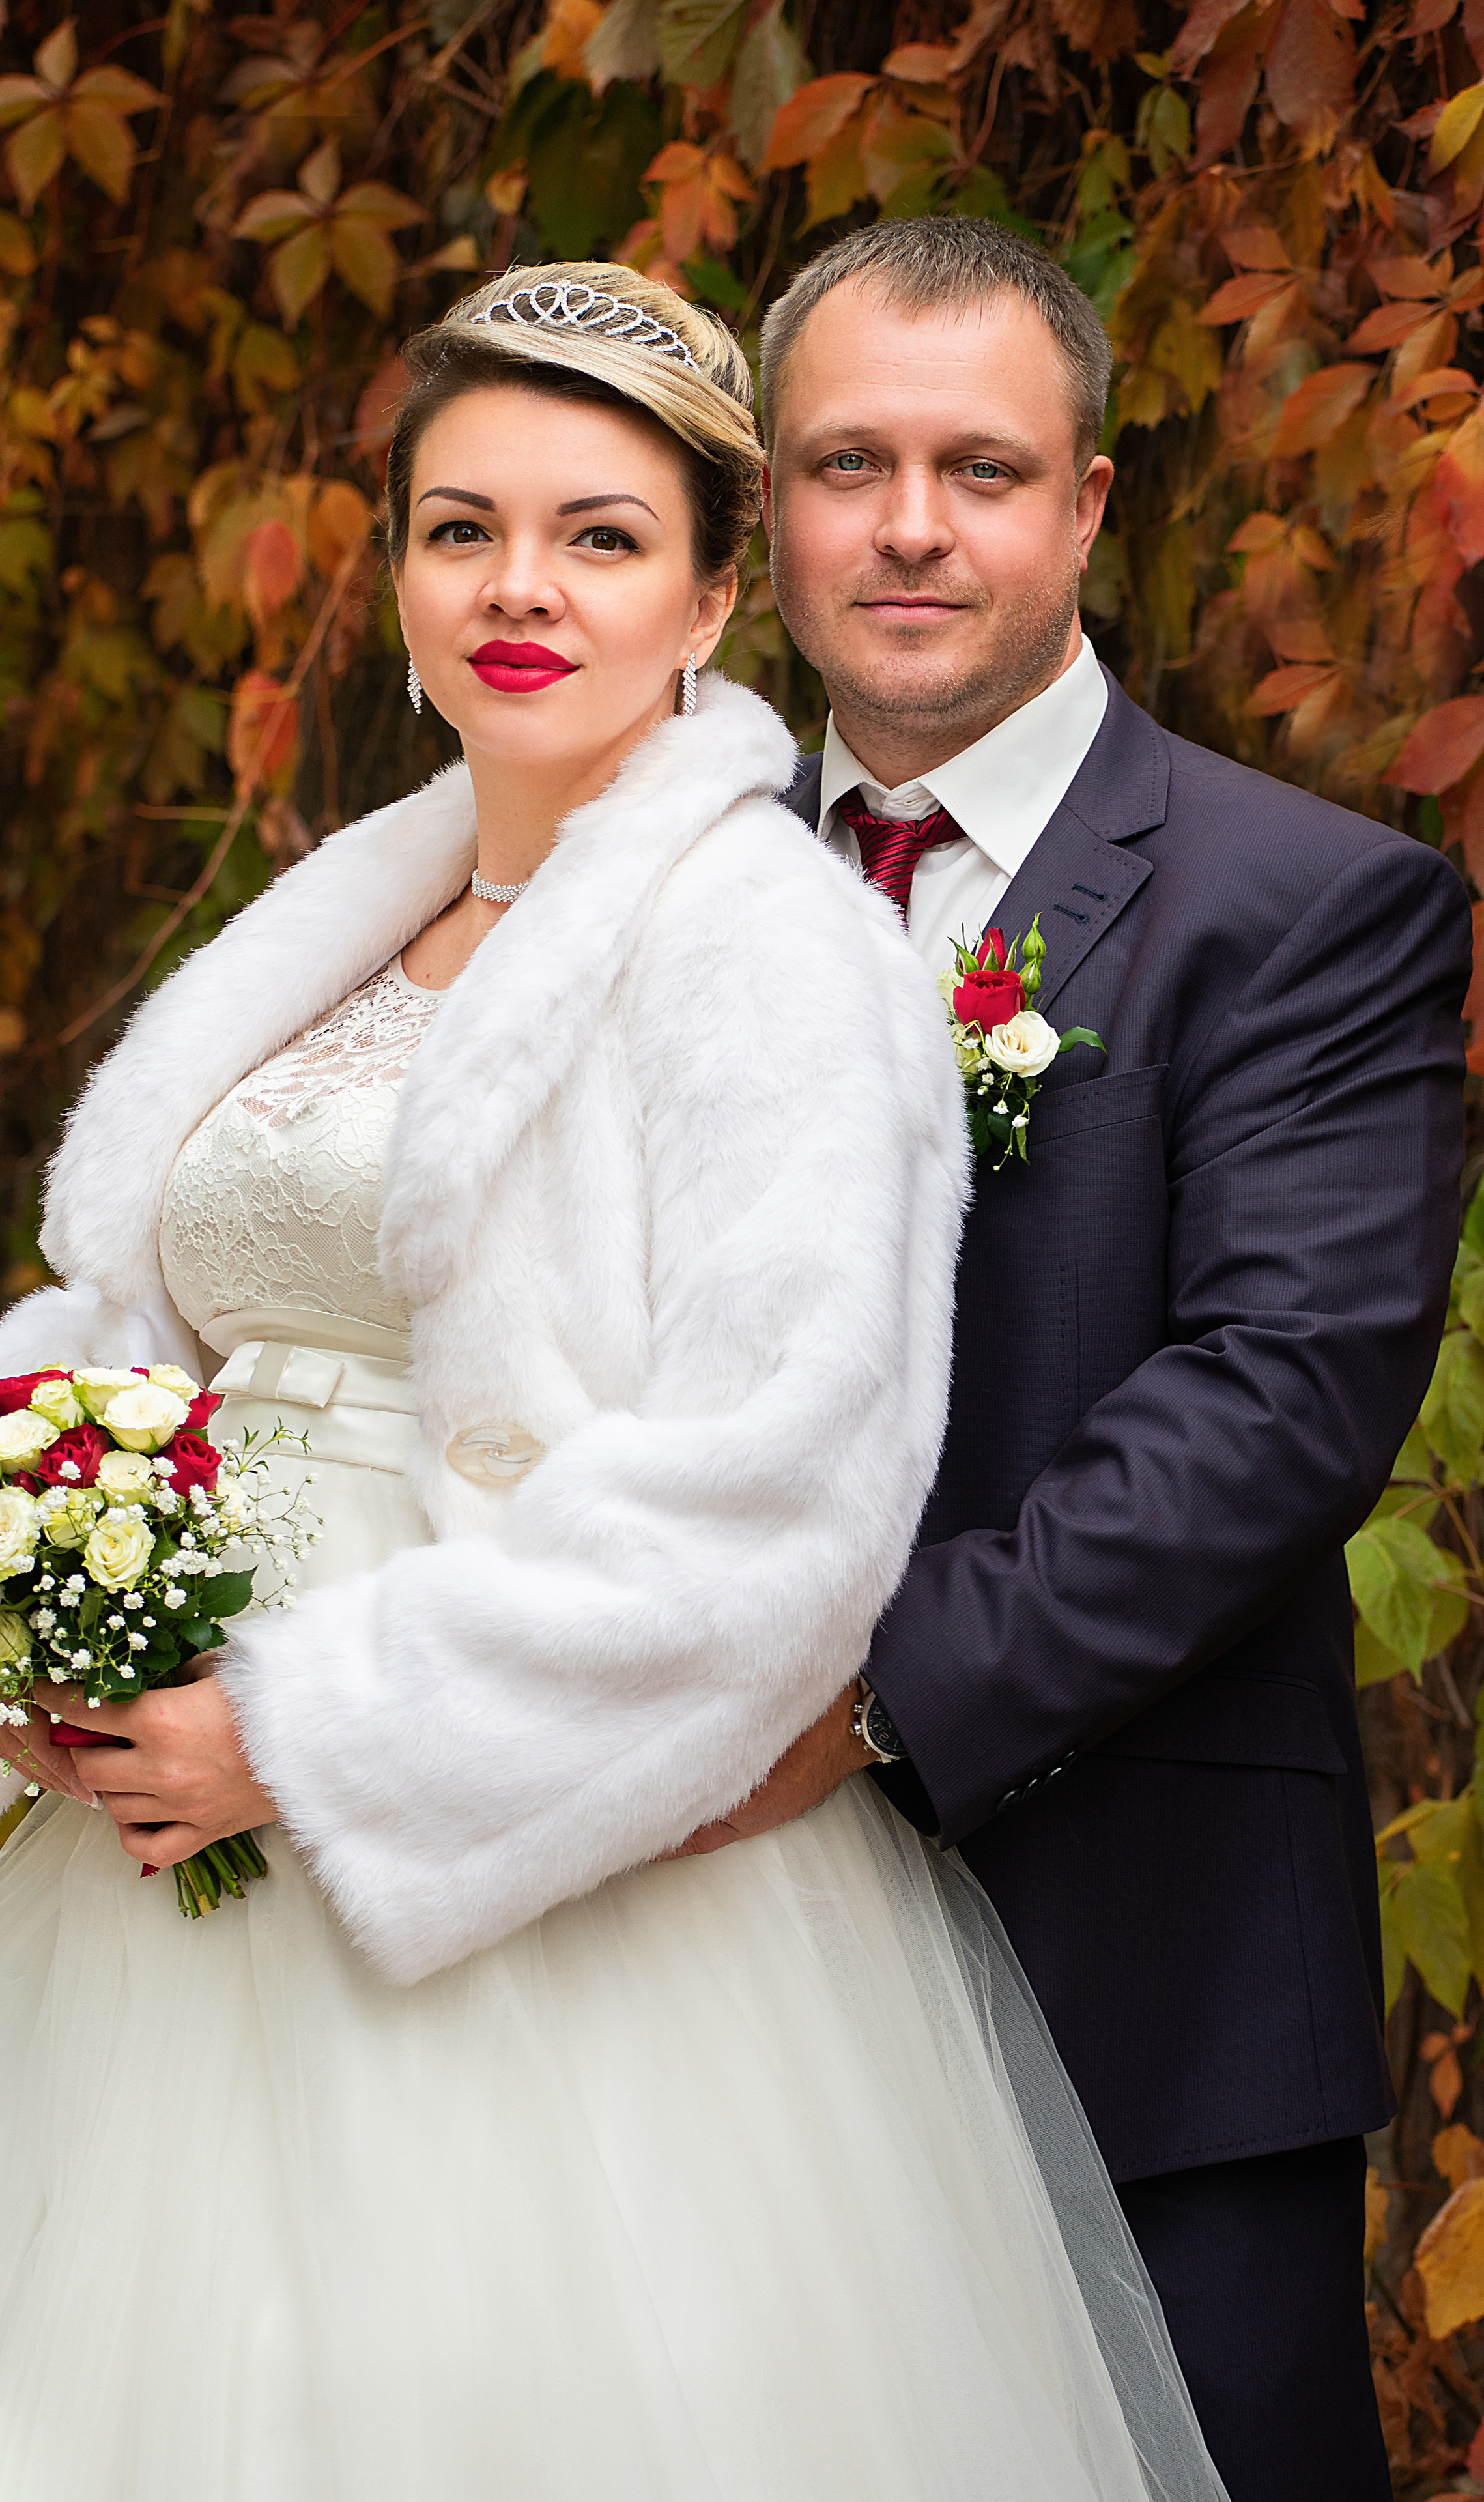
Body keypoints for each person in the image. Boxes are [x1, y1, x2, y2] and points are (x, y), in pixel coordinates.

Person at [0, 263, 1229, 2501]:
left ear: (709, 594)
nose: (519, 589)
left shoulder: (770, 947)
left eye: (597, 534)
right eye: (461, 527)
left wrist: (301, 1733)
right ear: (389, 575)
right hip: (156, 1878)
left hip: (523, 1865)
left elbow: (778, 1493)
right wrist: (12, 1601)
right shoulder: (340, 922)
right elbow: (126, 1320)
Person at [672, 215, 1472, 2502]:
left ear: (1090, 504)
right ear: (769, 512)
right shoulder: (650, 892)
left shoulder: (1300, 905)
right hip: (671, 1964)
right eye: (848, 463)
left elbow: (1275, 1406)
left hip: (1140, 1969)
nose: (911, 528)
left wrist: (849, 1713)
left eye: (981, 469)